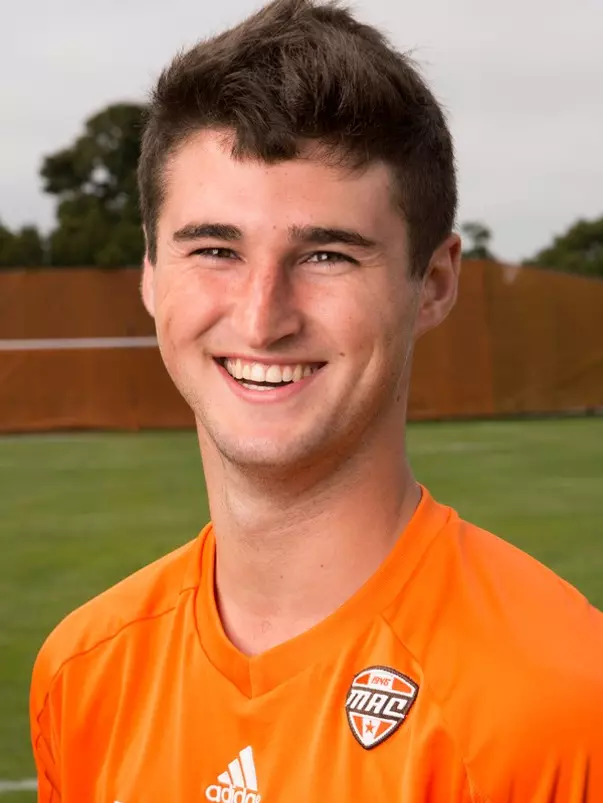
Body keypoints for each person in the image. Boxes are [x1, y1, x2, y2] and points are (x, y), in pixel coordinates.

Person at [30, 0, 603, 800]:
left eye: (327, 253)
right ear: (151, 274)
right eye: (215, 248)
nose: (262, 317)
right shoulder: (84, 670)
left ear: (433, 282)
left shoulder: (566, 702)